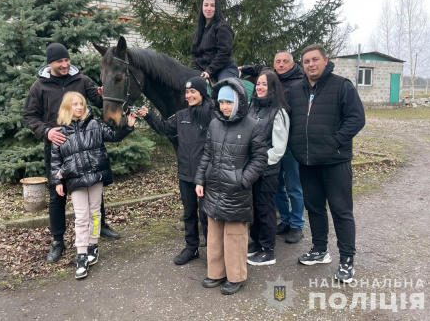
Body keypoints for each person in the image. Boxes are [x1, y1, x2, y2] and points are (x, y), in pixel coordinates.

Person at [23, 43, 120, 264]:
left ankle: (100, 226)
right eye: (60, 61)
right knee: (57, 195)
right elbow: (30, 116)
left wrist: (104, 94)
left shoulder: (82, 80)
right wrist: (46, 132)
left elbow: (97, 102)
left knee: (93, 188)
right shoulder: (39, 87)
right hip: (59, 147)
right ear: (50, 64)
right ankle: (58, 240)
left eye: (67, 60)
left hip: (86, 145)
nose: (65, 64)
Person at [288, 44, 365, 284]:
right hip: (307, 163)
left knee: (341, 211)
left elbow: (356, 119)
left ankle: (347, 260)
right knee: (315, 209)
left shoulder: (342, 86)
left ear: (325, 60)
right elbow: (288, 121)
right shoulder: (296, 91)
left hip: (335, 162)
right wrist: (295, 146)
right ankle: (320, 250)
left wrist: (335, 142)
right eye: (306, 61)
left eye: (315, 60)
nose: (311, 65)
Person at [50, 92, 136, 279]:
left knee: (95, 213)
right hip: (75, 179)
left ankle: (93, 245)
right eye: (75, 104)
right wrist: (57, 181)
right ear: (67, 107)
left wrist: (128, 126)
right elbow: (55, 160)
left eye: (81, 104)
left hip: (96, 175)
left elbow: (113, 136)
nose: (79, 107)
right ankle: (81, 255)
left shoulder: (95, 124)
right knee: (81, 217)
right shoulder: (60, 132)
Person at [195, 78, 267, 295]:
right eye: (221, 102)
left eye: (228, 102)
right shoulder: (215, 123)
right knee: (215, 234)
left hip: (236, 191)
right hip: (214, 188)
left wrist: (242, 180)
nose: (224, 107)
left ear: (238, 101)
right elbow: (207, 153)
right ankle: (216, 272)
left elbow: (260, 159)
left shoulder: (253, 125)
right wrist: (200, 179)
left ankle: (236, 276)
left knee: (235, 236)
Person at [136, 77, 211, 265]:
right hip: (185, 173)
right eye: (187, 92)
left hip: (206, 175)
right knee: (189, 212)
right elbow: (163, 128)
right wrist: (149, 116)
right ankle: (191, 247)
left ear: (202, 93)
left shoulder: (212, 115)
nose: (189, 95)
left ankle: (213, 249)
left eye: (193, 91)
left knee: (207, 214)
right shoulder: (181, 115)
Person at [240, 51, 305, 244]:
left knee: (294, 186)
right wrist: (241, 68)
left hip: (290, 142)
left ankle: (297, 224)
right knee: (276, 187)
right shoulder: (270, 77)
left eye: (285, 61)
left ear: (292, 64)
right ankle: (284, 219)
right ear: (274, 64)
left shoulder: (300, 82)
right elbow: (258, 69)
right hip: (271, 141)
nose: (281, 64)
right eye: (278, 61)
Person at [246, 71, 290, 266]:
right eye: (258, 84)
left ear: (273, 87)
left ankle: (268, 249)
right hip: (251, 170)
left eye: (264, 84)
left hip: (267, 170)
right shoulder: (252, 108)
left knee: (265, 209)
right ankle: (256, 242)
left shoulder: (279, 112)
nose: (260, 87)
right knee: (253, 209)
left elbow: (278, 148)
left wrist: (257, 163)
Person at [191, 0, 239, 82]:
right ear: (202, 7)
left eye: (212, 5)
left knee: (224, 90)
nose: (209, 8)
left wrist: (209, 70)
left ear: (216, 8)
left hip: (224, 69)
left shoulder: (223, 28)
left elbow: (224, 52)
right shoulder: (196, 33)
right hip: (203, 71)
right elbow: (194, 54)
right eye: (206, 5)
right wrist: (196, 71)